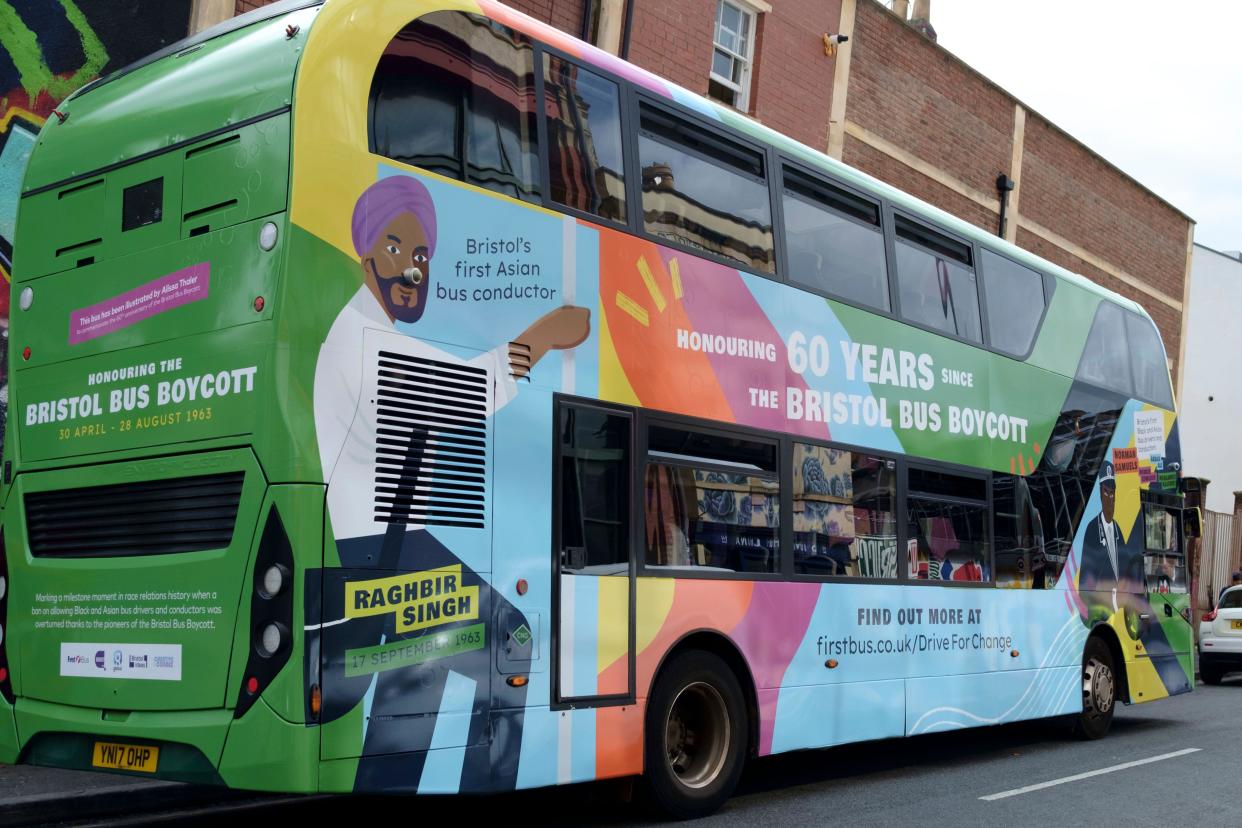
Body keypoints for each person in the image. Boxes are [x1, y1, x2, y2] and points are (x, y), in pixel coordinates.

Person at [311, 175, 591, 792]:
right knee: (510, 637)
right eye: (395, 249)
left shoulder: (372, 334)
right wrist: (544, 334)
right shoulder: (363, 342)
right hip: (380, 552)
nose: (412, 269)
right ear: (364, 256)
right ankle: (477, 788)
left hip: (382, 549)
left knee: (424, 668)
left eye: (421, 255)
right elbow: (467, 390)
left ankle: (389, 788)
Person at [1078, 461, 1144, 617]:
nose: (1110, 499)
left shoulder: (1117, 530)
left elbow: (1127, 567)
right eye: (1106, 493)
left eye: (1112, 493)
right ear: (1101, 495)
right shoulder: (1092, 529)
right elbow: (1084, 583)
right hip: (1102, 610)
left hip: (1120, 611)